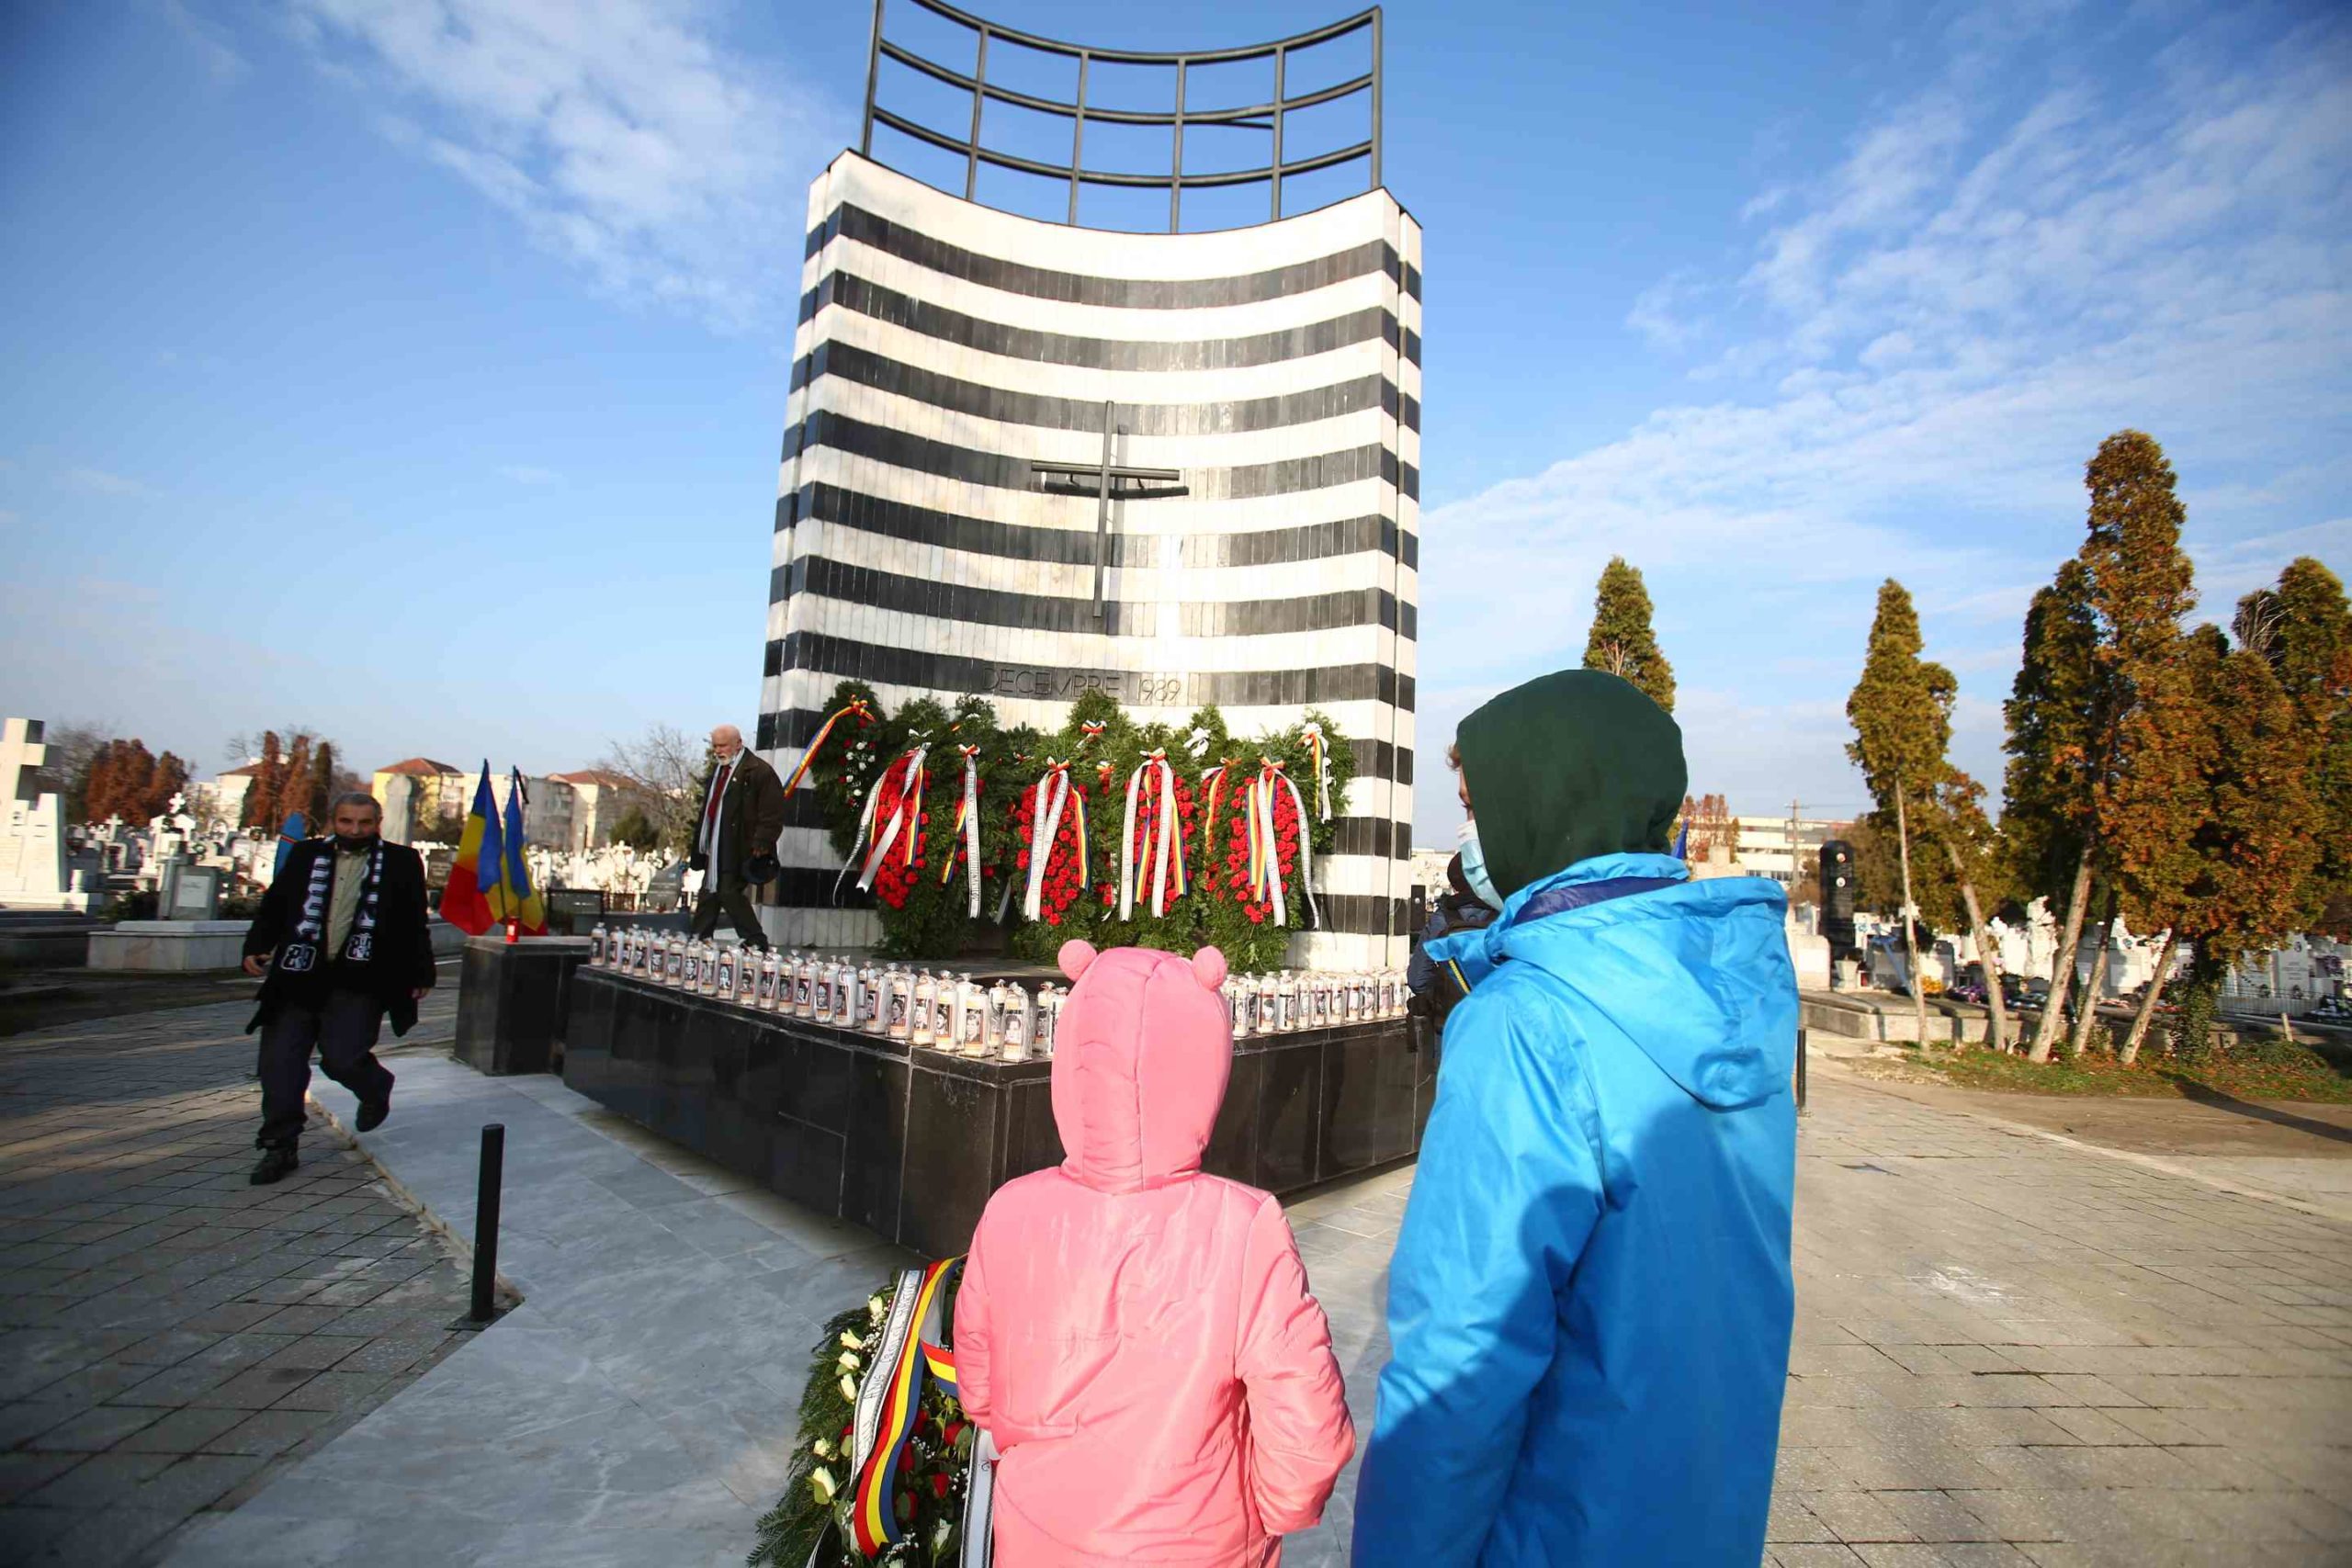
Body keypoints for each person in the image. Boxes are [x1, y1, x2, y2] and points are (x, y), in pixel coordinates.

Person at [1351, 671, 1799, 1568]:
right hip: (1701, 1519)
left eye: (1478, 808)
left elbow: (1463, 1358)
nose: (1471, 841)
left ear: (1544, 803)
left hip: (1552, 1529)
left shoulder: (1528, 1018)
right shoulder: (1740, 993)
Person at [956, 941, 1354, 1566]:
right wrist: (1275, 1510)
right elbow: (1306, 1427)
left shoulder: (1010, 1208)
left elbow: (978, 1383)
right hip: (1197, 1543)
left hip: (1034, 1532)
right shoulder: (1243, 1227)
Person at [240, 793, 435, 1185]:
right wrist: (256, 944)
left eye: (364, 823)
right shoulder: (307, 855)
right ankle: (280, 1145)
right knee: (279, 1063)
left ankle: (376, 1085)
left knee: (343, 1058)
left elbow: (413, 921)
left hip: (360, 977)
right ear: (334, 820)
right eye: (346, 822)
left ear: (377, 822)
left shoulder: (400, 862)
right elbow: (277, 905)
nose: (354, 831)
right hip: (299, 972)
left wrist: (421, 974)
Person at [688, 723, 785, 950]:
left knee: (728, 892)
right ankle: (699, 938)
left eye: (723, 745)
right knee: (710, 892)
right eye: (715, 746)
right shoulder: (720, 770)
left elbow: (772, 811)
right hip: (716, 845)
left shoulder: (758, 770)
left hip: (740, 845)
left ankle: (756, 941)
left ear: (738, 744)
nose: (718, 751)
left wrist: (763, 841)